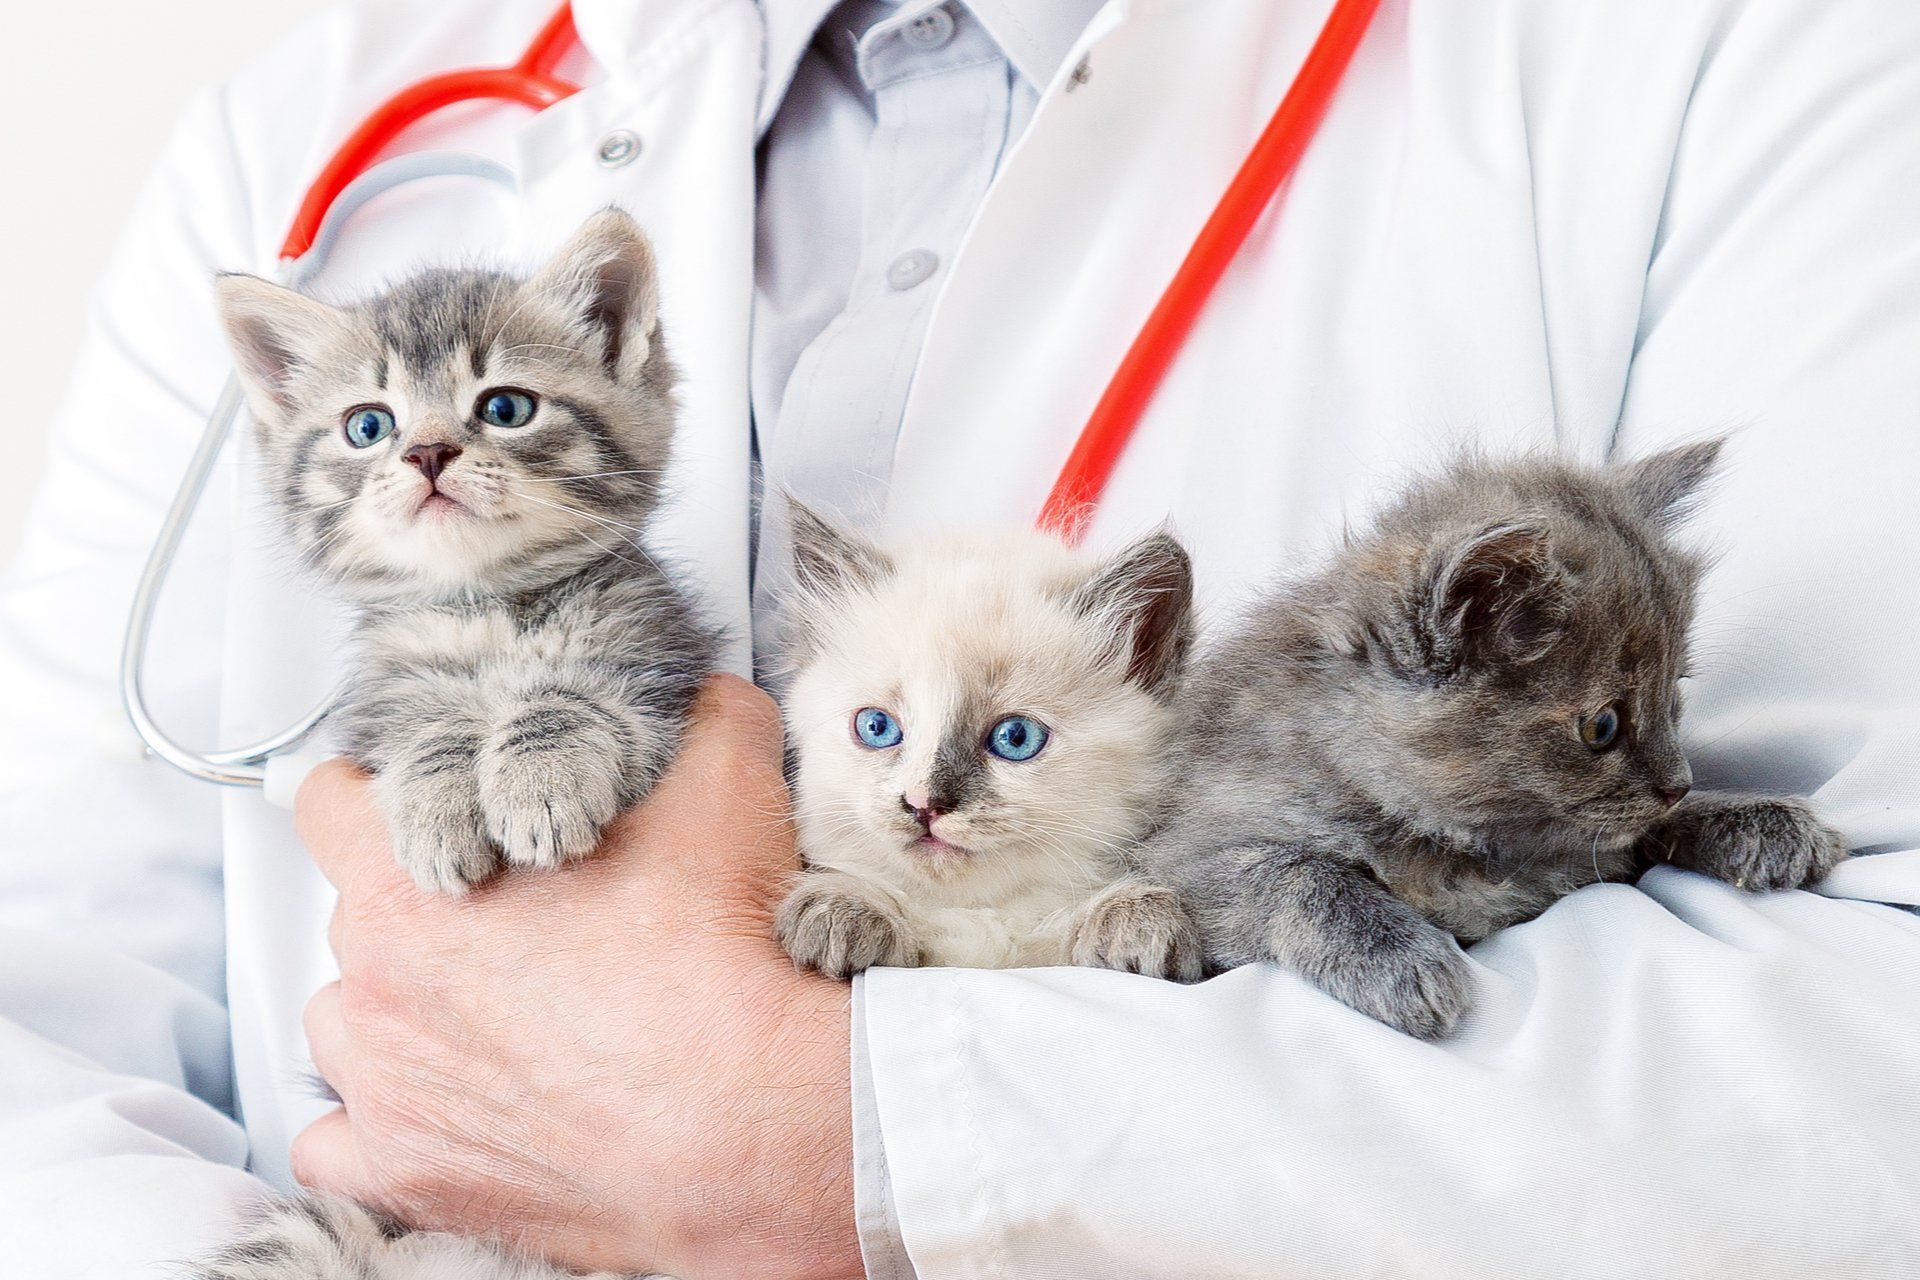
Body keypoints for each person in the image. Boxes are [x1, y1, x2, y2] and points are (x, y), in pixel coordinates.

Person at [3, 0, 1919, 1274]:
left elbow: (1873, 1044)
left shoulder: (1731, 52)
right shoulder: (316, 114)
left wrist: (852, 1141)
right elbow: (43, 996)